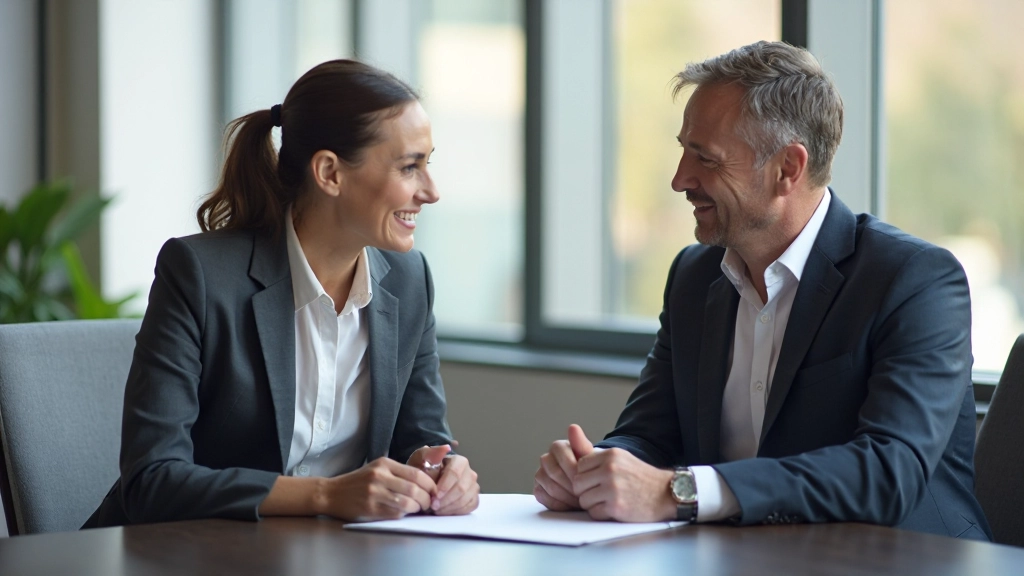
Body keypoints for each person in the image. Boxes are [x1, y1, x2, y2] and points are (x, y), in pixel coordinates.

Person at [533, 41, 991, 540]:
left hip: (907, 558)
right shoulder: (693, 276)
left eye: (705, 158)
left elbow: (887, 472)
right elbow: (650, 434)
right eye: (684, 149)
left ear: (787, 169)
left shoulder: (914, 280)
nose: (679, 179)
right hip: (745, 556)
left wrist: (677, 492)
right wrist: (599, 469)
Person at [85, 59, 479, 527]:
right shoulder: (199, 275)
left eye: (427, 164)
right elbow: (152, 481)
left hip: (330, 556)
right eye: (409, 167)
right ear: (330, 172)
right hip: (187, 556)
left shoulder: (409, 280)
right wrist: (325, 495)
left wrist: (440, 471)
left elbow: (421, 437)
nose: (431, 191)